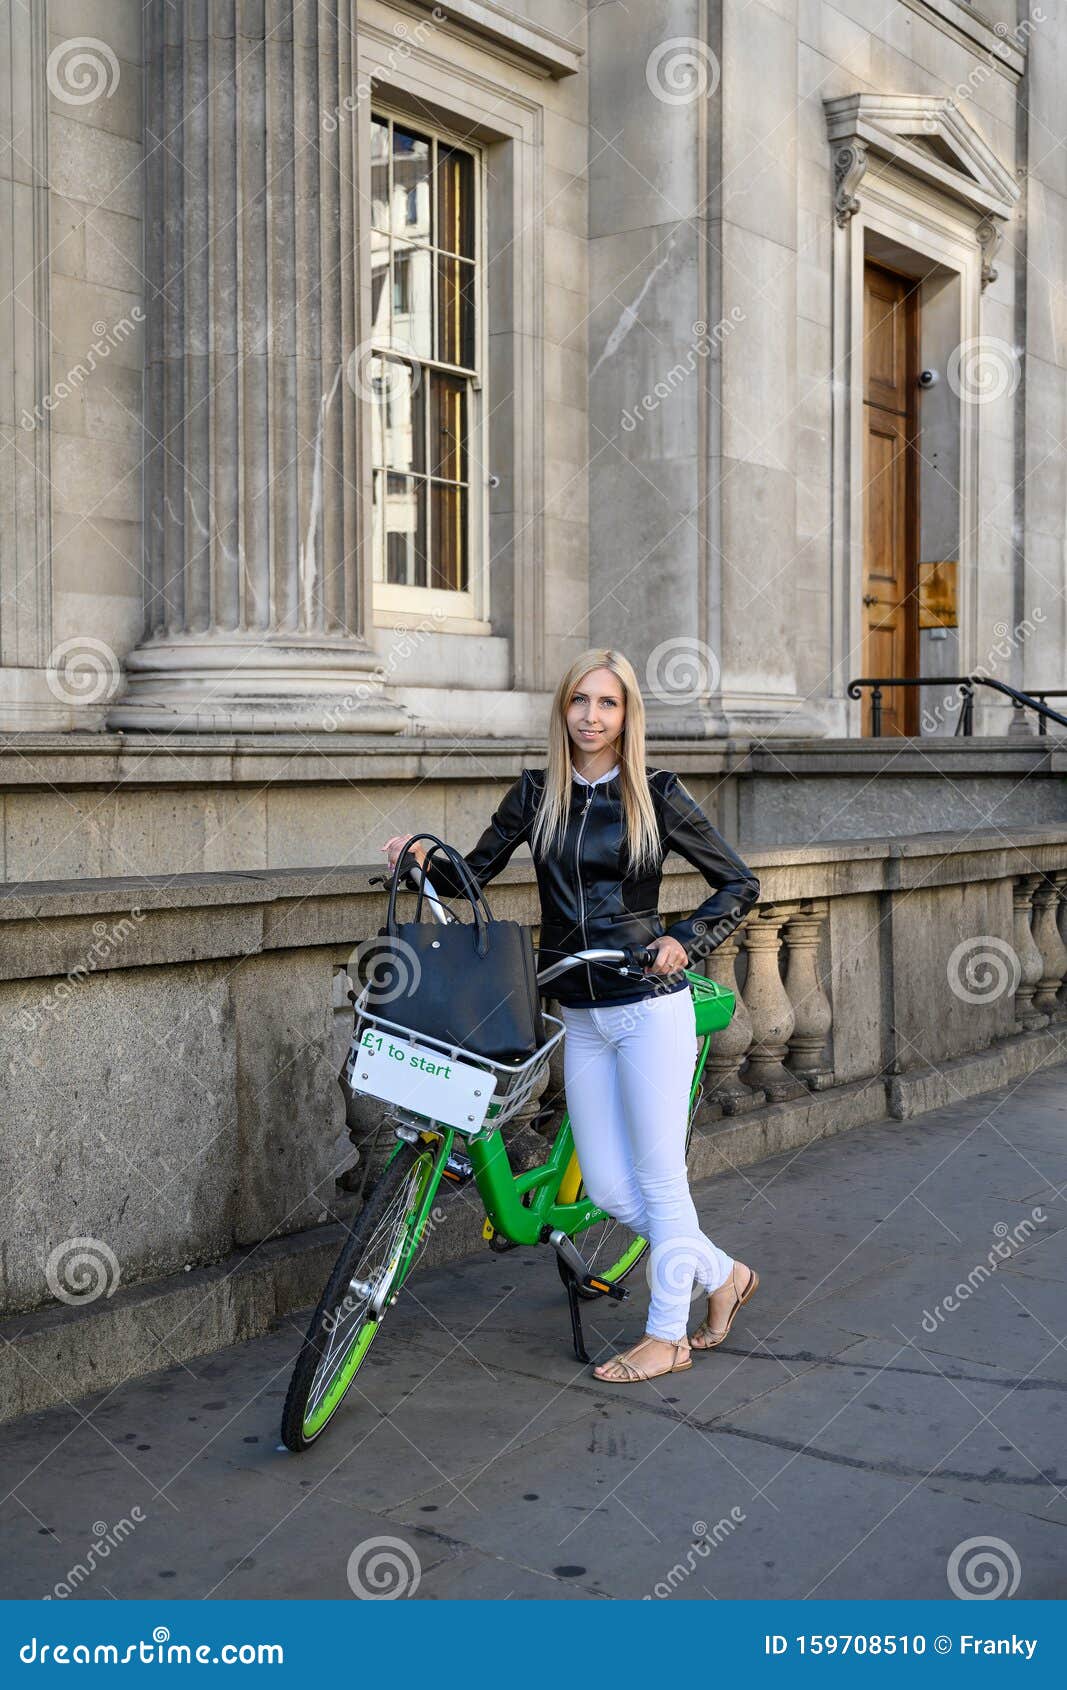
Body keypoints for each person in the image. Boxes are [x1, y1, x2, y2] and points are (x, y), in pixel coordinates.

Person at [381, 647, 761, 1384]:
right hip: (577, 1008)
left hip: (648, 1007)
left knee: (658, 1183)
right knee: (611, 1191)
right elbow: (474, 876)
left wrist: (683, 939)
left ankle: (665, 1336)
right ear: (563, 710)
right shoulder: (535, 793)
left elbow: (737, 884)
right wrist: (422, 857)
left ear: (627, 715)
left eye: (607, 703)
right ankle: (725, 1275)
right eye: (579, 702)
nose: (591, 716)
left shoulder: (656, 793)